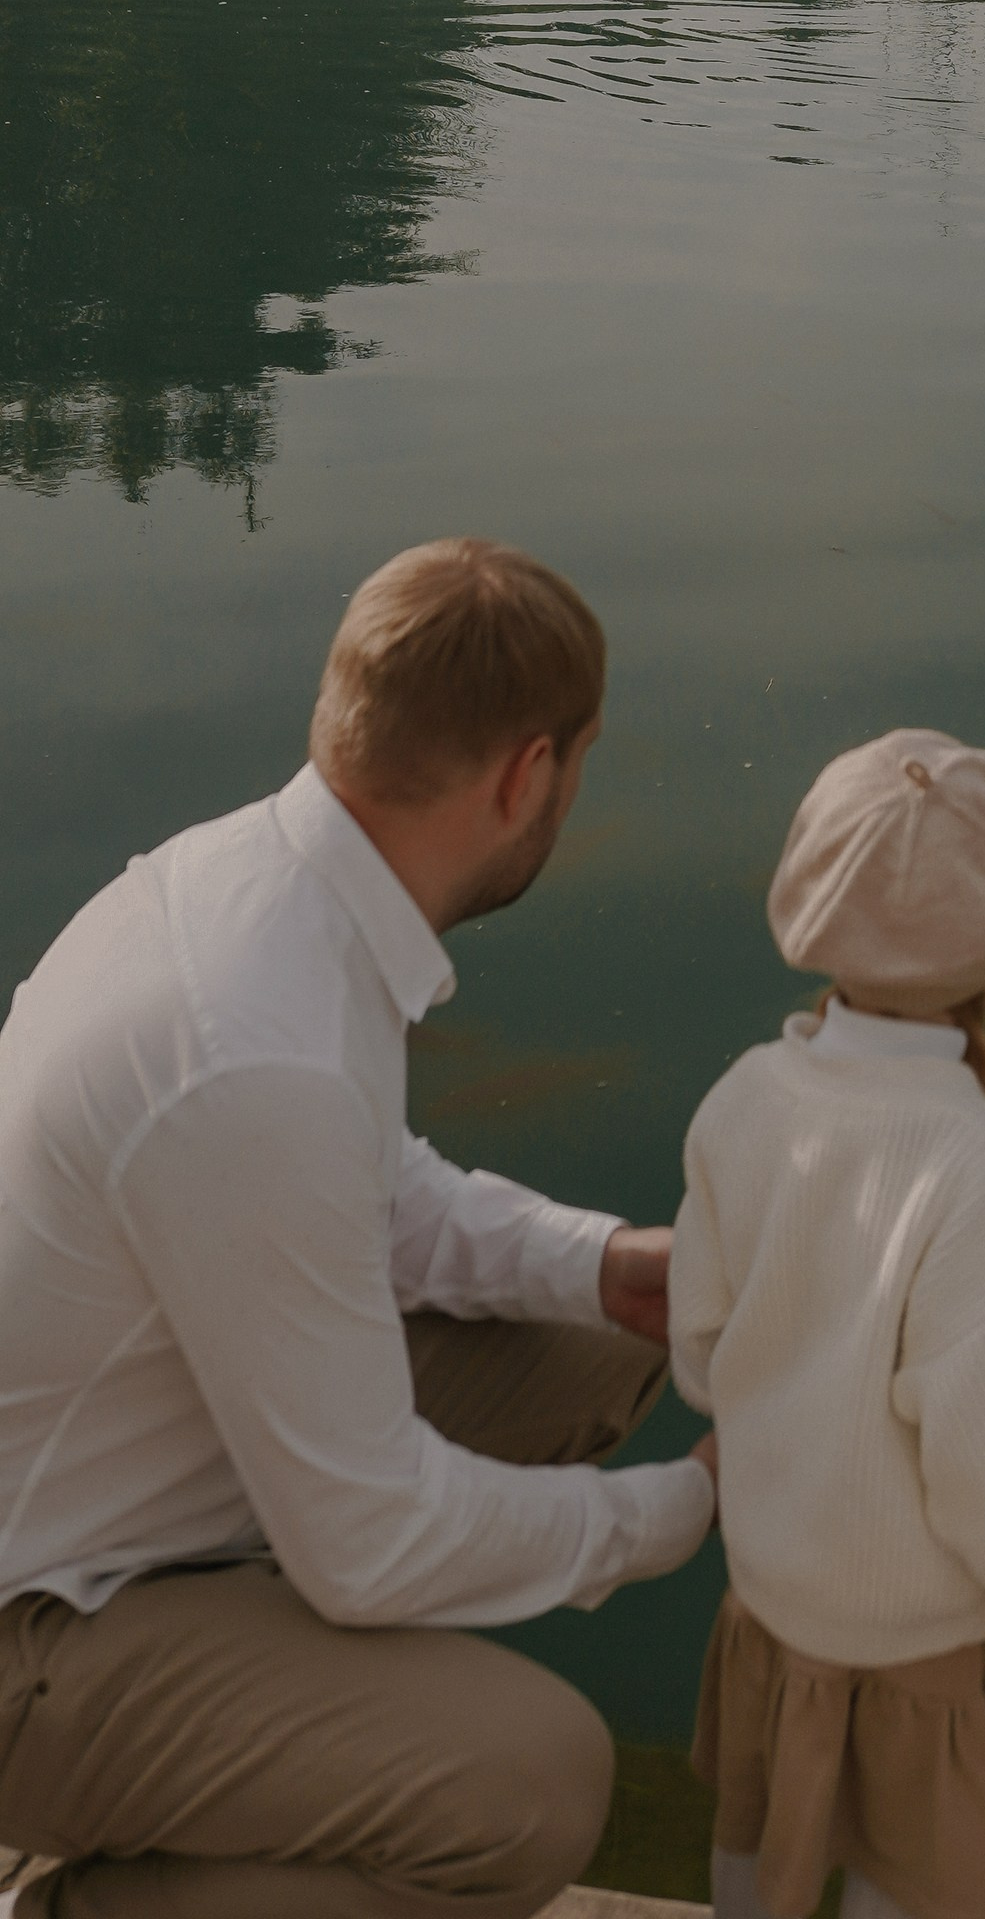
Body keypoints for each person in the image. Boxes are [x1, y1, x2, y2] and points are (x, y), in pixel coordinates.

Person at [0, 536, 718, 1919]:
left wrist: (602, 1269)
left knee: (604, 1344)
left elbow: (366, 1188)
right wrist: (675, 1514)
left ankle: (277, 1718)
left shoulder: (257, 890)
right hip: (32, 1622)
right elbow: (366, 1540)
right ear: (526, 776)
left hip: (109, 1485)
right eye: (577, 766)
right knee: (533, 1782)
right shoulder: (255, 1049)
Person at [672, 728, 985, 1919]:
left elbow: (702, 1357)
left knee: (762, 1872)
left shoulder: (742, 1099)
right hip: (919, 1659)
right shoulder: (981, 1166)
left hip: (771, 1619)